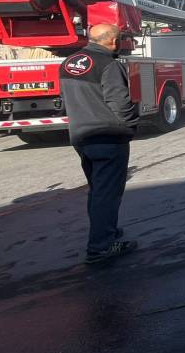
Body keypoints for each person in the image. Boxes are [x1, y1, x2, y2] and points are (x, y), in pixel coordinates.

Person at [59, 24, 140, 264]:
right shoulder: (109, 65)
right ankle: (101, 246)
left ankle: (106, 233)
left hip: (81, 136)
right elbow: (120, 103)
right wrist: (132, 124)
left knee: (97, 189)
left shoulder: (68, 63)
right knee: (108, 192)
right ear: (114, 41)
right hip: (107, 134)